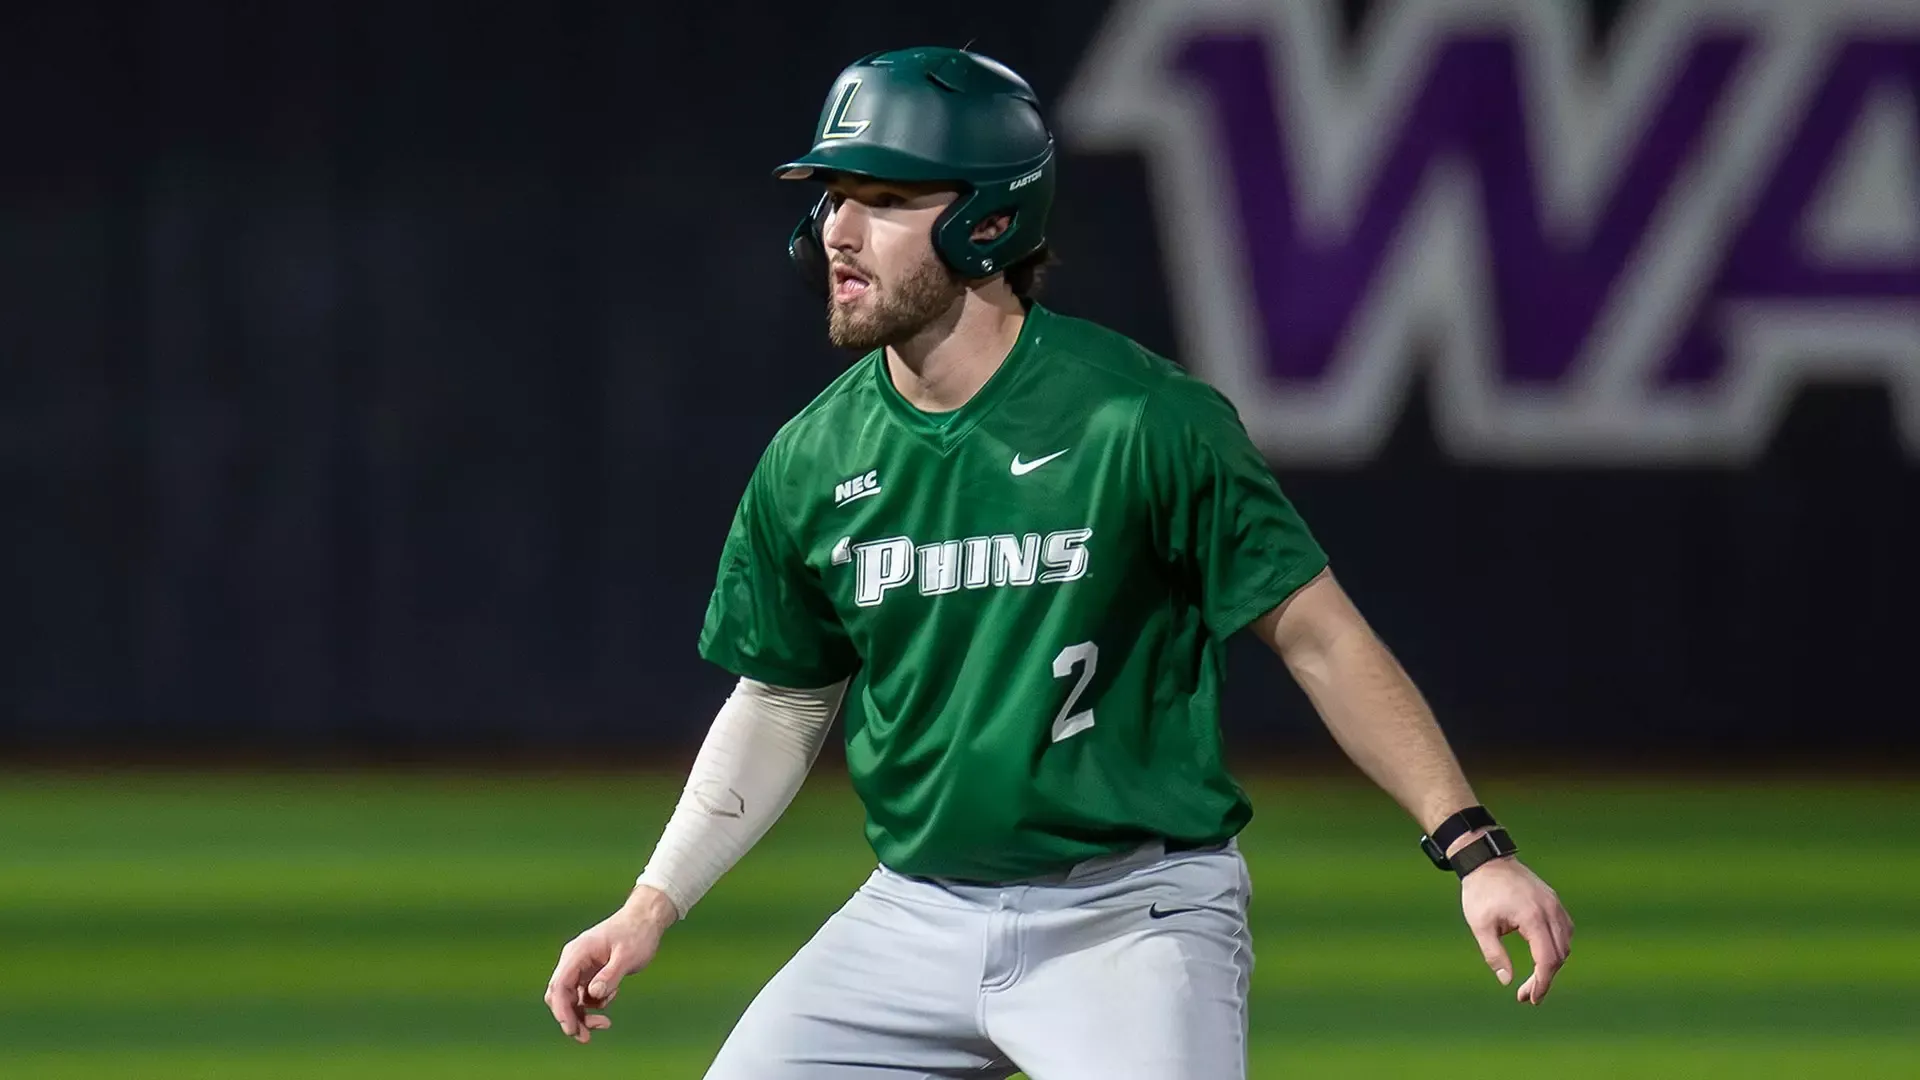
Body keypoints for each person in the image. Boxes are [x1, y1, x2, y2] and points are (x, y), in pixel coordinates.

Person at [543, 45, 1573, 1078]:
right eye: (833, 197)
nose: (837, 233)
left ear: (988, 222)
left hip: (1129, 919)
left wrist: (1473, 850)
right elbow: (781, 701)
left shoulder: (1143, 421)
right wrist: (650, 905)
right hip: (913, 915)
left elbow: (1319, 637)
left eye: (886, 198)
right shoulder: (813, 458)